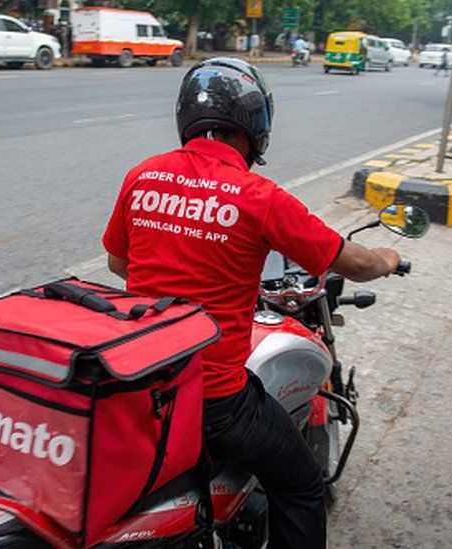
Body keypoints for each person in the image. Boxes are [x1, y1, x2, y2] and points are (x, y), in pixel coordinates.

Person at [102, 57, 401, 549]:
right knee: (303, 485)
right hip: (216, 400)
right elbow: (356, 264)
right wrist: (388, 258)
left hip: (146, 383)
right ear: (256, 125)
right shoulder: (259, 197)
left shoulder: (143, 175)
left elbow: (120, 264)